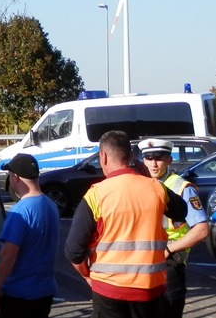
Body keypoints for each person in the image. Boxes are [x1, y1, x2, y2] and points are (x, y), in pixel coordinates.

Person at [65, 130, 188, 318]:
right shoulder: (156, 188)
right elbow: (181, 211)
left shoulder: (96, 195)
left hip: (109, 292)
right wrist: (148, 178)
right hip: (150, 290)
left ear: (103, 156)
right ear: (131, 157)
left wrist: (89, 276)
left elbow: (74, 251)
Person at [139, 138, 210, 318]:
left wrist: (169, 248)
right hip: (141, 264)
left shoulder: (182, 188)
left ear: (169, 160)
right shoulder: (138, 185)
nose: (154, 164)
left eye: (159, 158)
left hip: (169, 264)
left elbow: (201, 230)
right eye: (149, 158)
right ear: (143, 160)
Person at [0, 154, 59, 318]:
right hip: (44, 292)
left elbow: (8, 255)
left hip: (18, 295)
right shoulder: (51, 206)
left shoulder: (19, 212)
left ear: (16, 178)